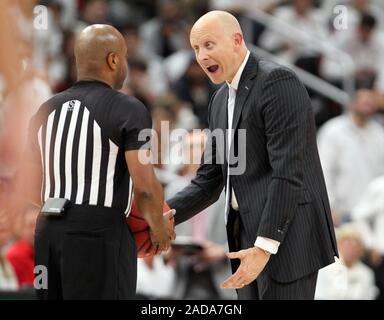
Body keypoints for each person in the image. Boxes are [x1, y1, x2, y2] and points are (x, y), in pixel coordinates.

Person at [166, 10, 338, 300]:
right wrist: (164, 215)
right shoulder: (219, 101)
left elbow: (288, 172)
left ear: (236, 40)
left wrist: (265, 245)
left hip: (288, 232)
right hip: (244, 231)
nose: (202, 56)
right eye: (196, 49)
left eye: (209, 45)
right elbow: (208, 181)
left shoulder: (276, 81)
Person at [27, 24, 175, 299]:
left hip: (46, 234)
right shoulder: (129, 109)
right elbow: (144, 187)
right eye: (126, 56)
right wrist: (158, 228)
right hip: (99, 234)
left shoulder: (44, 111)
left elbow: (28, 186)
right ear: (113, 60)